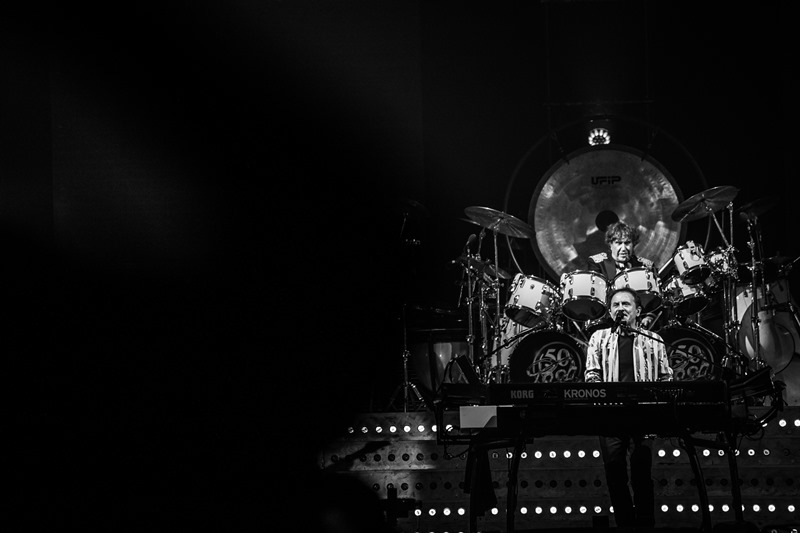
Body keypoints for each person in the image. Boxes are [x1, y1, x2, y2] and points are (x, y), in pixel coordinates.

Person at [584, 287, 674, 527]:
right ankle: (625, 524)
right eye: (615, 305)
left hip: (644, 416)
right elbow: (591, 376)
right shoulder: (599, 338)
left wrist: (658, 404)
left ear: (638, 310)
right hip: (610, 415)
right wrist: (603, 400)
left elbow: (666, 378)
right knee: (615, 475)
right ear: (609, 311)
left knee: (641, 473)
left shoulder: (654, 340)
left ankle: (645, 525)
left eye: (626, 304)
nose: (620, 309)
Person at [586, 221, 658, 329]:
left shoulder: (645, 266)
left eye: (627, 243)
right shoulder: (597, 263)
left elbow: (654, 297)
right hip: (606, 321)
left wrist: (649, 316)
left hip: (638, 323)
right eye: (619, 243)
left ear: (634, 244)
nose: (623, 248)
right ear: (610, 244)